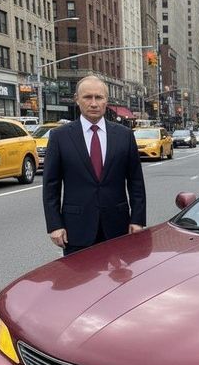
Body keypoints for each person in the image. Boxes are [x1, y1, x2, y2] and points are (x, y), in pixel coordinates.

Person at [43, 75, 147, 256]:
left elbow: (136, 182)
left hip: (118, 227)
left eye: (98, 97)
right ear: (77, 99)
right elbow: (51, 185)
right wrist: (54, 225)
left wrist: (137, 220)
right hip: (76, 229)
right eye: (87, 97)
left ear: (106, 100)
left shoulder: (125, 135)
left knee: (120, 275)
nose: (93, 103)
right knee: (79, 274)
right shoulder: (59, 136)